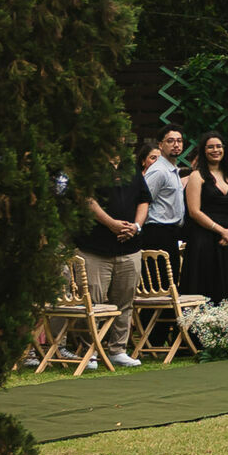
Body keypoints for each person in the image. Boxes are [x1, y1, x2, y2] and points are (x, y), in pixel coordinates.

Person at [74, 152, 150, 367]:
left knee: (124, 302)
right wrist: (111, 223)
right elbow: (87, 199)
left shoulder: (130, 166)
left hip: (129, 246)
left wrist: (136, 227)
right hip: (95, 247)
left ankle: (118, 349)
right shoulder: (89, 164)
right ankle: (91, 351)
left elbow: (144, 199)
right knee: (93, 303)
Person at [181, 131, 228, 303]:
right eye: (210, 147)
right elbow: (194, 211)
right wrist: (220, 230)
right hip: (203, 238)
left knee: (226, 285)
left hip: (227, 239)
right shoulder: (197, 176)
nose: (215, 150)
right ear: (203, 151)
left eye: (219, 146)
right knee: (205, 283)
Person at [138, 126, 187, 269]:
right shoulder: (159, 170)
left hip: (171, 233)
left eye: (179, 141)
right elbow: (144, 199)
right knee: (161, 284)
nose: (176, 145)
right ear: (161, 145)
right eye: (170, 141)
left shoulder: (172, 169)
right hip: (157, 232)